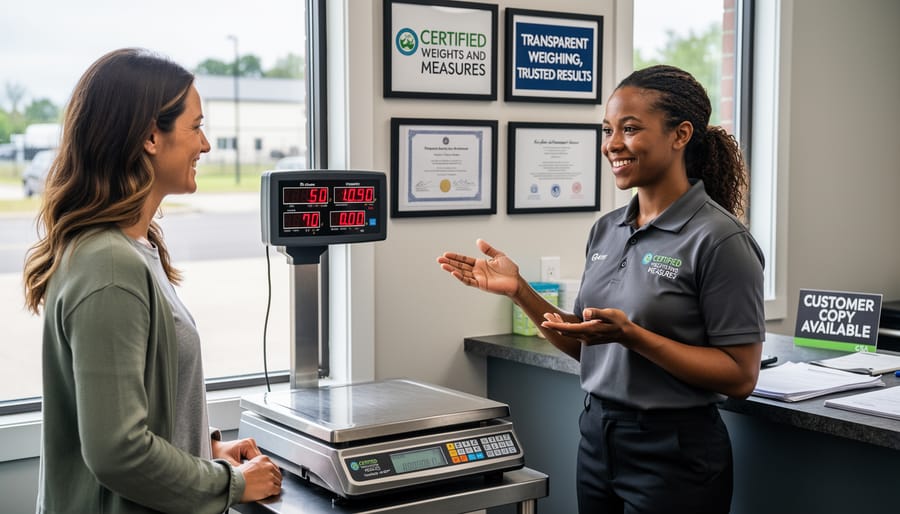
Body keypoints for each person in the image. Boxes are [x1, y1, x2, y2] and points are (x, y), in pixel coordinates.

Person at [437, 65, 765, 513]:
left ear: (680, 134)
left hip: (676, 451)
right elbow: (586, 343)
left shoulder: (719, 239)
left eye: (630, 129)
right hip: (597, 437)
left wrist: (634, 337)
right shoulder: (607, 229)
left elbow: (741, 376)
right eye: (608, 129)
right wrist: (519, 290)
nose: (612, 144)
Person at [23, 48, 282, 513]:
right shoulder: (109, 266)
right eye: (196, 127)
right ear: (149, 137)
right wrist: (230, 484)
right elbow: (119, 451)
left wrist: (205, 453)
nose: (205, 146)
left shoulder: (132, 252)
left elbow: (135, 417)